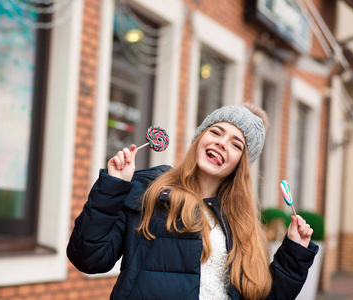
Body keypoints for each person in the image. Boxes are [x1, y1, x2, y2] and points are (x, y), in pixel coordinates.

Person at [67, 103, 319, 300]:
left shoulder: (243, 223)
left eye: (235, 144)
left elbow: (262, 295)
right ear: (200, 138)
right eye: (216, 131)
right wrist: (113, 187)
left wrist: (294, 253)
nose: (221, 142)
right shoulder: (150, 190)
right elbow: (88, 258)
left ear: (241, 164)